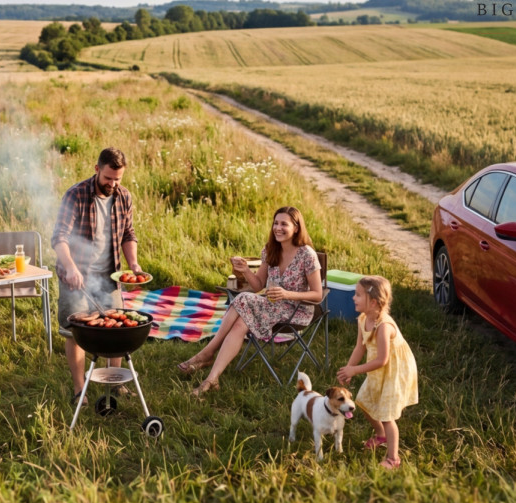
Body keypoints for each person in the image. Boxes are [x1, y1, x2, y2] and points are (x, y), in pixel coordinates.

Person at [177, 206, 324, 397]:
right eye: (275, 223)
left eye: (284, 224)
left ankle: (208, 352)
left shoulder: (307, 255)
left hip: (297, 311)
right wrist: (245, 270)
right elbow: (258, 286)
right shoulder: (271, 249)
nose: (277, 228)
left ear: (296, 228)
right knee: (240, 322)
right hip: (270, 306)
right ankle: (212, 379)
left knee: (243, 299)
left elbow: (318, 295)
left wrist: (288, 294)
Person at [52, 147, 143, 404]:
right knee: (75, 330)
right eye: (108, 179)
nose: (112, 184)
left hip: (109, 275)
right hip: (76, 276)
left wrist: (133, 264)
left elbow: (128, 234)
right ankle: (79, 390)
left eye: (118, 179)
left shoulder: (123, 197)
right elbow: (59, 238)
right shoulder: (76, 195)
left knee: (116, 331)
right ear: (97, 169)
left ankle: (115, 384)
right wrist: (70, 267)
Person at [337, 275, 418, 470]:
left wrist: (355, 370)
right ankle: (380, 435)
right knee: (363, 402)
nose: (353, 298)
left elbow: (383, 360)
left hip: (393, 371)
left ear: (373, 302)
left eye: (357, 295)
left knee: (386, 414)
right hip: (377, 369)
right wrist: (348, 369)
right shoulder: (363, 319)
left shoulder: (384, 326)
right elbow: (360, 348)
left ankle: (393, 459)